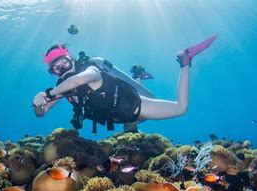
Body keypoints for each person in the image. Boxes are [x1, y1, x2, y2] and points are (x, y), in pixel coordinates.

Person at [32, 36, 217, 133]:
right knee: (130, 129)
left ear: (70, 58)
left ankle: (185, 61)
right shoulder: (61, 87)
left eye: (63, 62)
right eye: (55, 68)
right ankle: (137, 76)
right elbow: (41, 113)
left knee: (181, 108)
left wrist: (49, 94)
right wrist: (38, 102)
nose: (61, 69)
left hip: (136, 106)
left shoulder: (90, 67)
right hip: (119, 117)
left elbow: (81, 79)